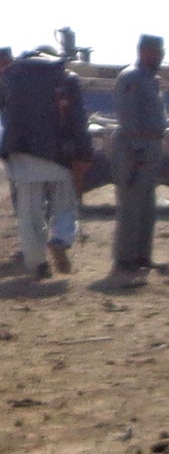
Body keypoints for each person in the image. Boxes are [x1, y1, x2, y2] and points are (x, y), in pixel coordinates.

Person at [1, 46, 91, 279]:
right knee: (65, 203)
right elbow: (78, 120)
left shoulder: (9, 78)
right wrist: (84, 153)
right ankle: (60, 239)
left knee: (29, 213)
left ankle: (38, 264)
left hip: (21, 154)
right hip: (59, 154)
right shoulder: (66, 78)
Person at [109, 34, 169, 284]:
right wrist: (137, 153)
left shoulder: (151, 79)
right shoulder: (131, 78)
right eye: (157, 51)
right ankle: (125, 258)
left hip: (151, 150)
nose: (161, 55)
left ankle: (143, 255)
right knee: (131, 206)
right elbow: (128, 120)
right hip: (135, 152)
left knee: (147, 208)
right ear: (144, 51)